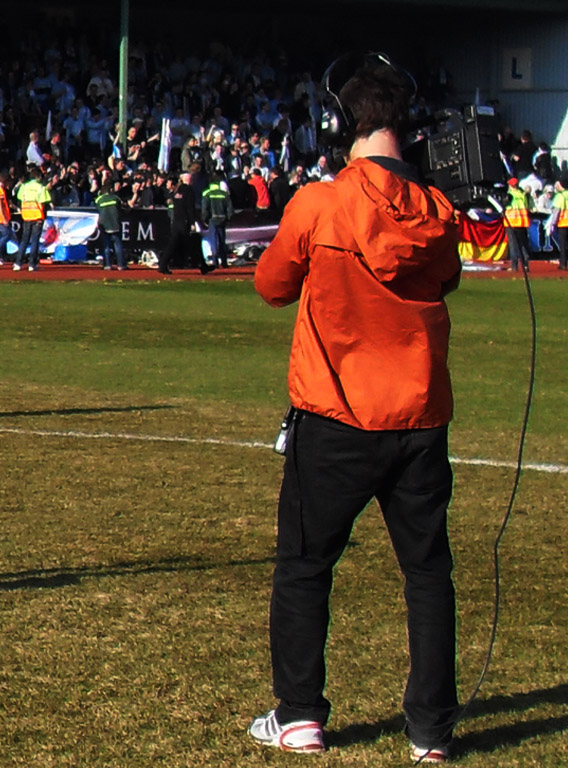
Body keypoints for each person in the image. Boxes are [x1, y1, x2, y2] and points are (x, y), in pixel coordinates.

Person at [249, 55, 461, 764]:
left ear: (343, 126)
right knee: (428, 573)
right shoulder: (437, 210)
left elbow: (271, 285)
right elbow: (446, 277)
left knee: (305, 567)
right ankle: (430, 732)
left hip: (336, 416)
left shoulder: (320, 203)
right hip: (419, 417)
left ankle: (300, 715)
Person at [14, 165, 51, 272]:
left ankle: (18, 263)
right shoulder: (41, 188)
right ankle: (32, 264)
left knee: (24, 240)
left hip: (26, 216)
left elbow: (20, 198)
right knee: (35, 240)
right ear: (39, 177)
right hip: (37, 216)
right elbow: (44, 202)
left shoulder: (24, 186)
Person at [94, 182, 127, 270]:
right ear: (111, 190)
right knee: (118, 245)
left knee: (106, 246)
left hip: (104, 224)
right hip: (115, 223)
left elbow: (97, 209)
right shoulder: (116, 198)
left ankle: (107, 265)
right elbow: (123, 208)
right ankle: (121, 265)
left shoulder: (99, 200)